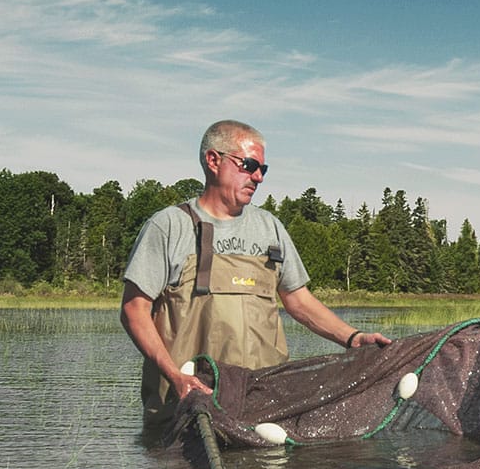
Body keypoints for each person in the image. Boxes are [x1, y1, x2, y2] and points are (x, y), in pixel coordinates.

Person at [121, 119, 392, 439]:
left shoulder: (270, 228)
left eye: (263, 168)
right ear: (212, 160)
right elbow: (134, 311)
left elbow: (299, 300)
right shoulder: (168, 226)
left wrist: (353, 338)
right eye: (249, 165)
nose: (258, 177)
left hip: (263, 409)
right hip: (186, 407)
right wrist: (175, 376)